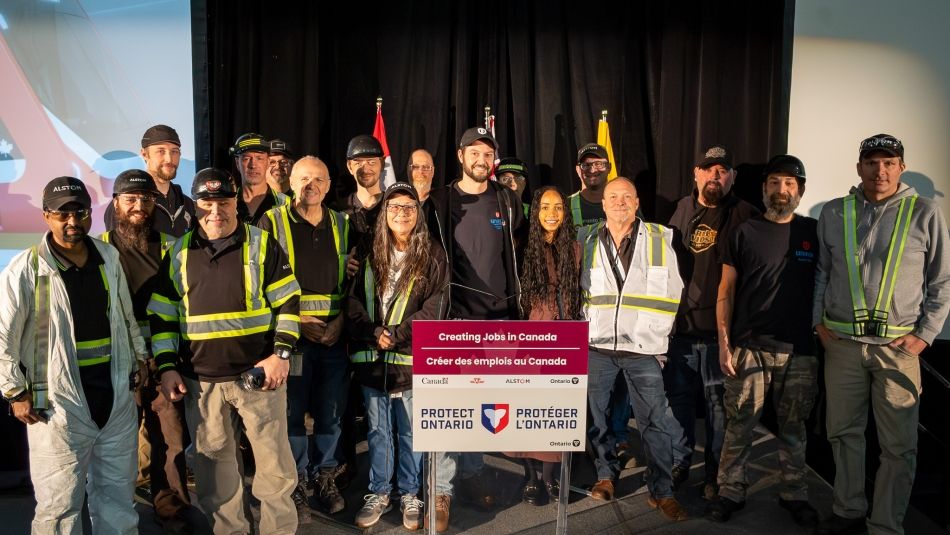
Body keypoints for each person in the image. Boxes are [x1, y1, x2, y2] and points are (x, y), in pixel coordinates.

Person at [148, 168, 302, 535]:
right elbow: (162, 317)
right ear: (195, 207)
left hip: (260, 379)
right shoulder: (178, 253)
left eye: (224, 202)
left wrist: (281, 355)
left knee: (275, 471)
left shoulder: (263, 243)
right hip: (201, 384)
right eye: (207, 204)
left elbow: (289, 302)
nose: (216, 211)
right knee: (216, 477)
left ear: (236, 203)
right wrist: (168, 368)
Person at [813, 134, 950, 535]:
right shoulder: (836, 213)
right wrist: (817, 322)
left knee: (898, 448)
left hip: (898, 350)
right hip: (842, 346)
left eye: (889, 162)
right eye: (872, 162)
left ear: (901, 168)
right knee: (843, 434)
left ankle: (886, 526)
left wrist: (925, 335)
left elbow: (941, 282)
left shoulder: (926, 212)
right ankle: (847, 511)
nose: (880, 170)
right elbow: (822, 271)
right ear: (859, 168)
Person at [0, 176, 147, 533]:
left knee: (117, 498)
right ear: (46, 216)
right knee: (58, 506)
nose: (72, 222)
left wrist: (140, 356)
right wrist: (14, 391)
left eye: (79, 212)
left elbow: (125, 314)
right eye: (62, 214)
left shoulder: (107, 256)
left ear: (90, 214)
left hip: (114, 398)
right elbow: (2, 335)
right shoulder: (26, 268)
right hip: (55, 405)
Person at [705, 155, 820, 527]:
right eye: (774, 183)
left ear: (800, 191)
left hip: (799, 351)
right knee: (740, 424)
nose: (781, 190)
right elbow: (725, 290)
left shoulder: (813, 233)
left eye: (789, 184)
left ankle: (794, 493)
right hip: (748, 346)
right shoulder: (744, 232)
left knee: (793, 427)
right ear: (764, 189)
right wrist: (724, 343)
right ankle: (730, 491)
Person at [424, 126, 527, 531]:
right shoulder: (440, 201)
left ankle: (470, 474)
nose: (482, 159)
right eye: (475, 152)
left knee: (483, 410)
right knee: (451, 410)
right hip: (456, 320)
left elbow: (520, 250)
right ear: (460, 155)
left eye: (488, 153)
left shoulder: (507, 198)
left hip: (500, 320)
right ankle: (442, 489)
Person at [580, 177, 688, 521]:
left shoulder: (660, 238)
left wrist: (659, 341)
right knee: (598, 419)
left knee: (654, 422)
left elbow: (673, 291)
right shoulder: (587, 239)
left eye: (626, 196)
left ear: (637, 201)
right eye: (613, 197)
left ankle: (662, 491)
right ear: (603, 203)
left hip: (643, 349)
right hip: (598, 346)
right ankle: (606, 475)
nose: (620, 202)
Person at [346, 182, 447, 530]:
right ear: (384, 213)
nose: (401, 213)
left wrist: (398, 335)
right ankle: (379, 493)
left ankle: (409, 494)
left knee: (410, 433)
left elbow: (436, 306)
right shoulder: (367, 251)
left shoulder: (432, 253)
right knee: (377, 431)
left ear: (418, 214)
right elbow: (353, 301)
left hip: (410, 359)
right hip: (373, 360)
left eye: (408, 207)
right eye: (394, 207)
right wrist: (373, 333)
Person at [259, 156, 351, 520]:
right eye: (303, 179)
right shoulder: (271, 221)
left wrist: (341, 322)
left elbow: (355, 283)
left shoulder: (343, 224)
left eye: (318, 179)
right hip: (292, 341)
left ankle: (325, 478)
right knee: (292, 415)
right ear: (290, 183)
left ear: (328, 185)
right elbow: (260, 282)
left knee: (332, 414)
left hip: (333, 340)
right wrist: (297, 319)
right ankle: (296, 482)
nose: (310, 186)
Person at [664, 144, 759, 499]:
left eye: (722, 171)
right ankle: (680, 462)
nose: (715, 176)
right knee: (679, 402)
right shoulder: (679, 211)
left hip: (724, 337)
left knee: (720, 407)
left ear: (732, 176)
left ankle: (715, 472)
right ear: (696, 173)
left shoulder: (748, 215)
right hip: (681, 332)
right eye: (709, 169)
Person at [101, 169, 193, 533]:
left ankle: (171, 511)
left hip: (162, 360)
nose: (139, 206)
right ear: (116, 203)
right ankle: (115, 513)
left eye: (146, 199)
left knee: (170, 441)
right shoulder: (99, 249)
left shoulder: (173, 245)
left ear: (155, 202)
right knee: (116, 443)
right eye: (130, 199)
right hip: (116, 364)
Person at [506, 186, 581, 506]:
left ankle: (550, 477)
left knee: (556, 413)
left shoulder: (574, 249)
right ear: (534, 212)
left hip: (564, 341)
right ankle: (532, 477)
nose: (552, 213)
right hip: (528, 340)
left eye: (558, 207)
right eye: (545, 207)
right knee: (526, 413)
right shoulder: (520, 247)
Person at [104, 124, 196, 236]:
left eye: (174, 151)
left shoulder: (186, 204)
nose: (169, 159)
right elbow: (118, 251)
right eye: (161, 151)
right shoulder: (127, 205)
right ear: (144, 154)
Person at [334, 134, 386, 258]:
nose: (365, 168)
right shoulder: (337, 212)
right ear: (349, 167)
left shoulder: (394, 208)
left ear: (382, 164)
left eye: (371, 162)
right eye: (358, 163)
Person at [230, 132, 290, 223]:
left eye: (259, 158)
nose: (253, 165)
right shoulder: (227, 204)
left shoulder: (287, 205)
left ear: (268, 162)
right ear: (237, 163)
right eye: (246, 158)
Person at [568, 143, 609, 227]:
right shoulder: (565, 206)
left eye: (598, 164)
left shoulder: (623, 203)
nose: (592, 170)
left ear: (609, 167)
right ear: (578, 170)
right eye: (586, 165)